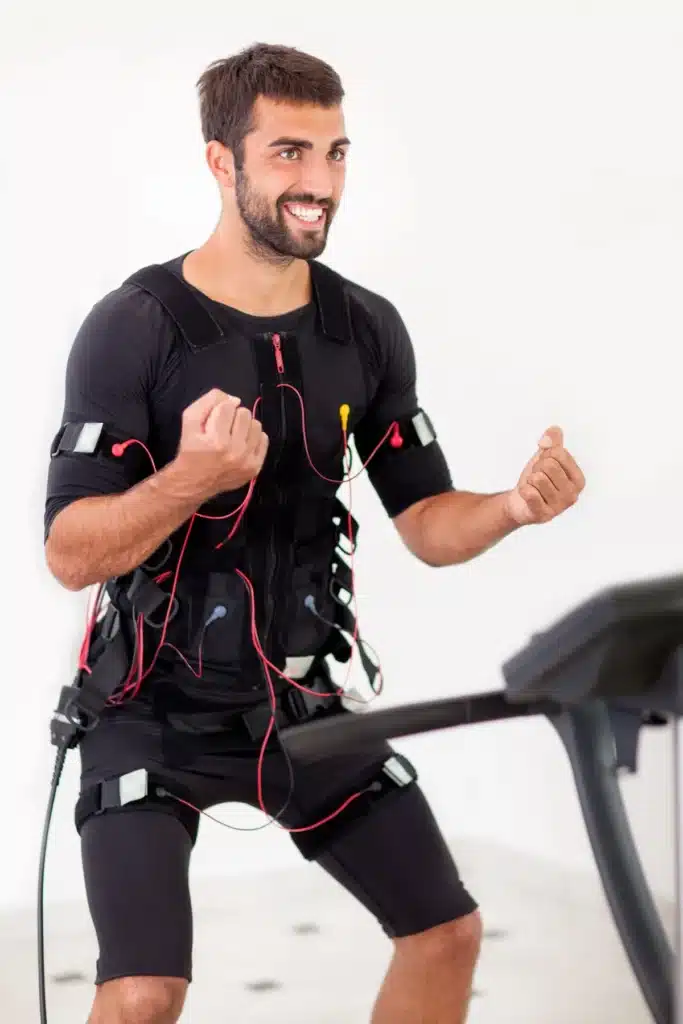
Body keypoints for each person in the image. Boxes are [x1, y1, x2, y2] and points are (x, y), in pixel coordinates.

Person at [43, 42, 586, 1024]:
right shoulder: (134, 326)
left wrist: (509, 507)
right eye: (290, 152)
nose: (319, 182)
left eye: (336, 153)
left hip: (301, 707)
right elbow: (70, 550)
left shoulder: (364, 329)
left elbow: (425, 521)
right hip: (145, 714)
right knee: (141, 996)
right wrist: (190, 481)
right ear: (222, 162)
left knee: (445, 931)